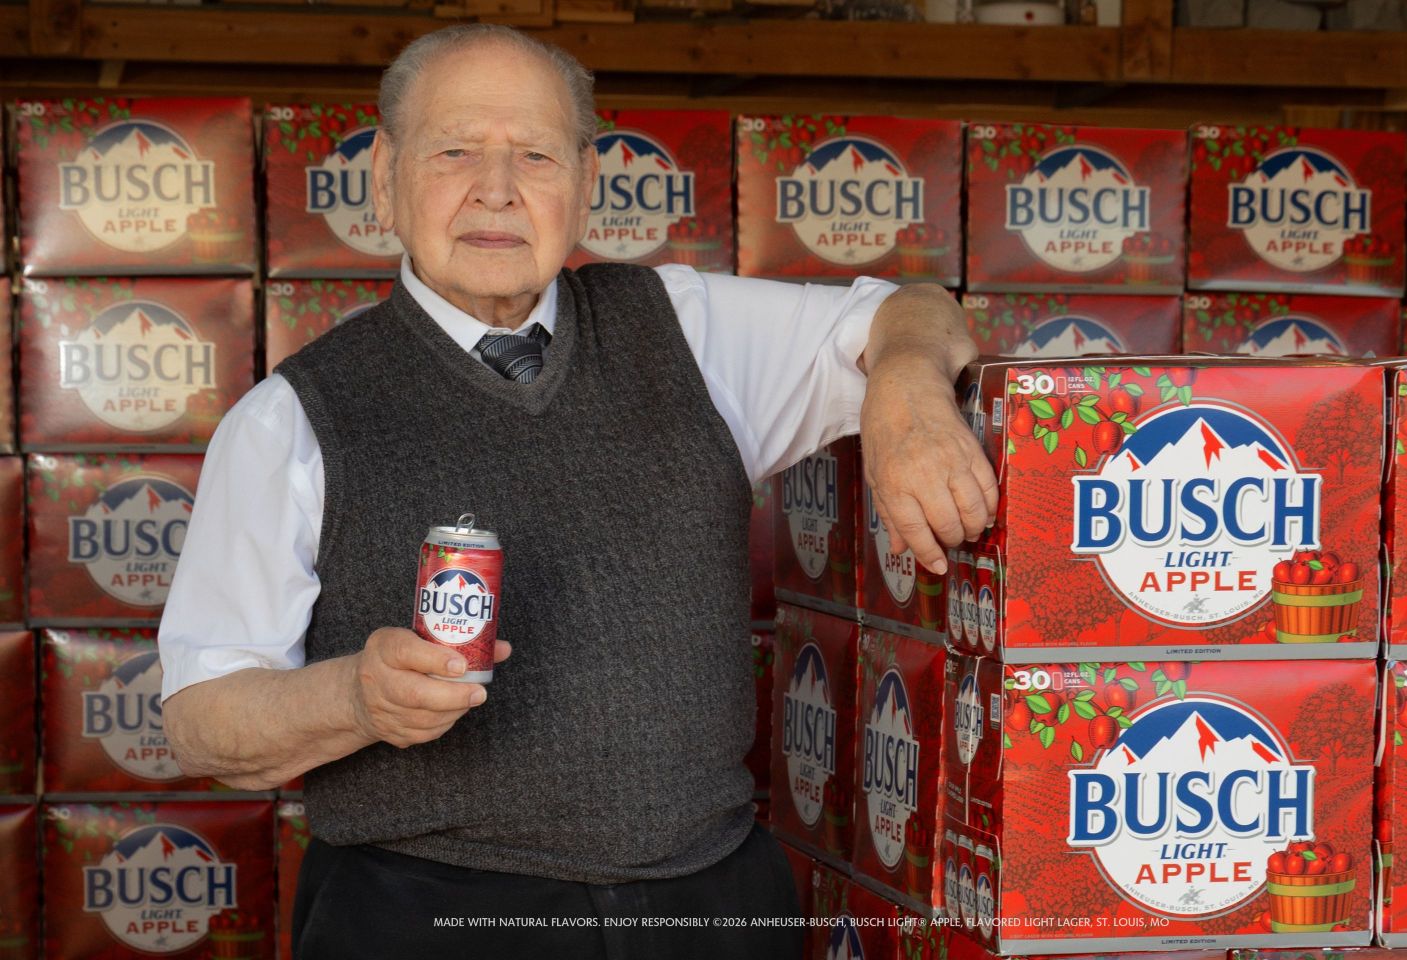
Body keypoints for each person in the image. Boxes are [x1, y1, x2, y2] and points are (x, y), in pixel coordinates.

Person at [158, 23, 997, 960]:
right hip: (427, 920)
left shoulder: (683, 327)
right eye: (455, 151)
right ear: (385, 175)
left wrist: (909, 392)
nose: (497, 189)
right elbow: (201, 721)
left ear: (587, 183)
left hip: (708, 907)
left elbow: (907, 310)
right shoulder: (293, 418)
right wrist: (356, 699)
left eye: (537, 155)